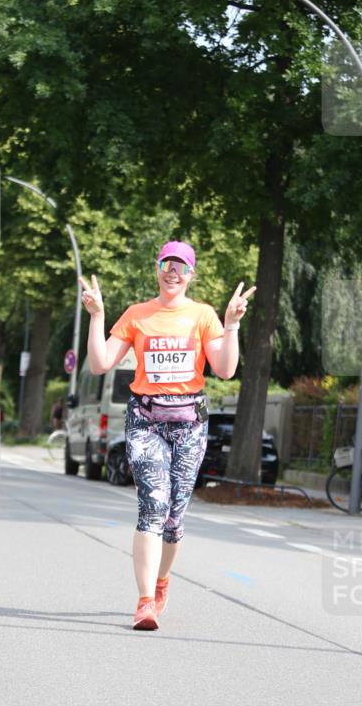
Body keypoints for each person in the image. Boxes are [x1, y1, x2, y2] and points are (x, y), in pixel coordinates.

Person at [79, 240, 256, 631]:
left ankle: (161, 582)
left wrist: (232, 325)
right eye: (166, 264)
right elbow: (100, 363)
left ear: (191, 274)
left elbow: (225, 370)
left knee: (175, 519)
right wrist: (96, 316)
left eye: (181, 266)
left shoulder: (203, 316)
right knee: (153, 506)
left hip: (190, 423)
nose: (172, 272)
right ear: (157, 269)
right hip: (145, 420)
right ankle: (144, 603)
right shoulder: (137, 315)